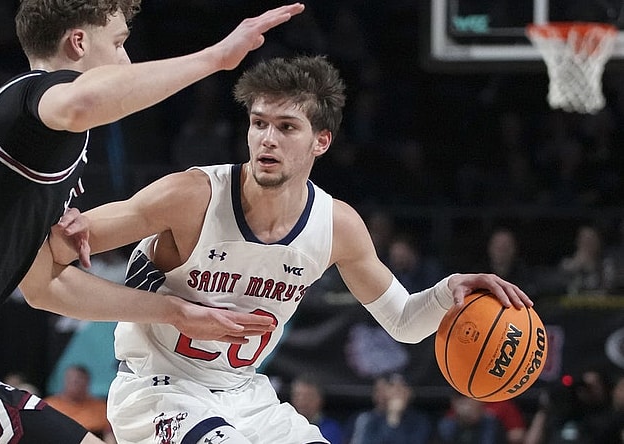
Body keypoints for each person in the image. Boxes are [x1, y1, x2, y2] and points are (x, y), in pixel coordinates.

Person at [0, 2, 307, 443]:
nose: (126, 63)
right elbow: (81, 102)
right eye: (118, 43)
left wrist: (176, 312)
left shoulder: (18, 154)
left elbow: (45, 288)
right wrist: (216, 58)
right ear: (79, 43)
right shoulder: (26, 101)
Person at [39, 55, 532, 443]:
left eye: (287, 127)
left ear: (322, 141)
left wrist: (448, 291)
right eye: (259, 123)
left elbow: (404, 322)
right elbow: (55, 252)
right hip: (160, 392)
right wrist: (57, 225)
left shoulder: (336, 226)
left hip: (247, 396)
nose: (267, 140)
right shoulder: (191, 197)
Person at [347, 373, 432, 444]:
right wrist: (392, 416)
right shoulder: (367, 419)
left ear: (410, 393)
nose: (397, 391)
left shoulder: (419, 421)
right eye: (393, 387)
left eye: (402, 387)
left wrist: (395, 416)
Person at [45, 365, 115, 442]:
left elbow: (108, 433)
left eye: (79, 381)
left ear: (87, 382)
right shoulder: (50, 405)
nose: (75, 385)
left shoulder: (100, 407)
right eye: (72, 381)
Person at [289, 375, 345, 444]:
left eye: (308, 397)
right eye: (297, 395)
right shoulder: (284, 425)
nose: (302, 401)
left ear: (319, 399)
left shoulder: (331, 429)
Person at [435, 394, 506, 444]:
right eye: (462, 401)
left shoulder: (492, 423)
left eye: (468, 401)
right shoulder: (447, 425)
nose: (466, 406)